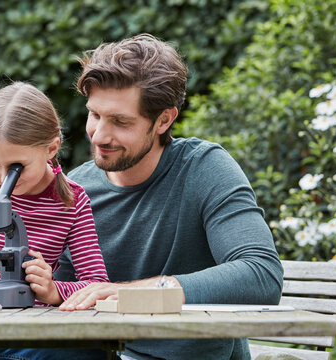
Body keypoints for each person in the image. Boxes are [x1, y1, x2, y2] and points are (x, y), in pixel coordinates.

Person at [51, 34, 284, 360]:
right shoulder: (73, 188)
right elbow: (53, 297)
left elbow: (260, 275)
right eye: (95, 115)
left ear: (164, 119)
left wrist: (132, 292)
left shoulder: (204, 169)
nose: (100, 135)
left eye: (120, 121)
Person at [0, 82, 112, 359]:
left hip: (31, 333)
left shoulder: (72, 202)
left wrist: (52, 290)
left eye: (17, 168)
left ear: (51, 148)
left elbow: (95, 282)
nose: (3, 179)